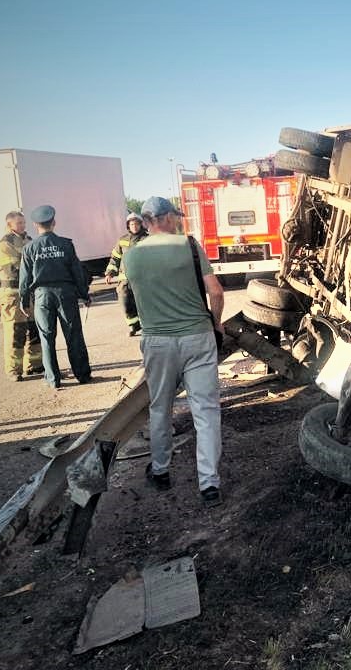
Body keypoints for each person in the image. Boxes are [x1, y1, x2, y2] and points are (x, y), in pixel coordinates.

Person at [123, 196, 226, 507]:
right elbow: (216, 292)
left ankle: (161, 470)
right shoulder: (190, 246)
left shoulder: (131, 256)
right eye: (175, 217)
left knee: (160, 407)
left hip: (157, 341)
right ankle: (209, 485)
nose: (178, 221)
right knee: (205, 411)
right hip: (197, 337)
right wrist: (216, 323)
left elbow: (134, 296)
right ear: (165, 218)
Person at [18, 204, 93, 389]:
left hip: (42, 297)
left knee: (46, 338)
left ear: (36, 225)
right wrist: (84, 294)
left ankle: (53, 379)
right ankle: (82, 375)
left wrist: (23, 300)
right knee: (73, 335)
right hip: (65, 294)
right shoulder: (66, 244)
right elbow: (77, 272)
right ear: (54, 222)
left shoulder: (29, 248)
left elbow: (25, 277)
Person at [0, 211, 43, 381]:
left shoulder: (29, 240)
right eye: (19, 223)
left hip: (29, 293)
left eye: (23, 222)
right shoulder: (5, 244)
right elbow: (13, 270)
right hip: (12, 295)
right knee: (16, 333)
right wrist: (36, 270)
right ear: (10, 225)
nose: (23, 225)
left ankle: (35, 365)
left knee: (34, 330)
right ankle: (14, 370)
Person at [104, 212, 149, 335]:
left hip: (142, 280)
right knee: (125, 304)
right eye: (132, 224)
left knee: (143, 304)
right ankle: (133, 325)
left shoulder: (147, 239)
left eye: (136, 224)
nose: (134, 226)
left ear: (141, 225)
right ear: (128, 225)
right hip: (125, 281)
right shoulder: (122, 240)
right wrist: (110, 273)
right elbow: (115, 258)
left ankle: (147, 326)